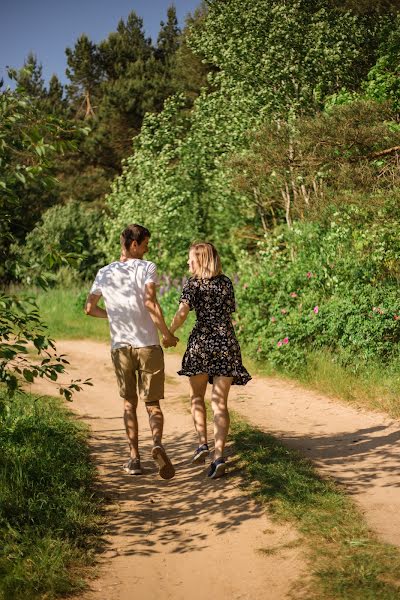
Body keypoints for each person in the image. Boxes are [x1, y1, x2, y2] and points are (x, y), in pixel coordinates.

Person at [85, 224, 178, 479]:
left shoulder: (104, 272)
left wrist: (113, 315)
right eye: (145, 245)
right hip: (147, 345)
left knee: (129, 403)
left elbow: (89, 308)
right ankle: (157, 443)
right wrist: (167, 334)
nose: (147, 250)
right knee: (152, 403)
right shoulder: (147, 267)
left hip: (121, 347)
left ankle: (134, 459)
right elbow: (150, 302)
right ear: (133, 244)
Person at [169, 242, 251, 479]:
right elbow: (228, 311)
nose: (187, 263)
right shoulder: (226, 282)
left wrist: (170, 332)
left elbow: (183, 312)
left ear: (199, 260)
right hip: (226, 344)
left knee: (197, 397)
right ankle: (218, 457)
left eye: (190, 259)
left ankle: (202, 444)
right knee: (220, 404)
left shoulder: (193, 284)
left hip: (201, 345)